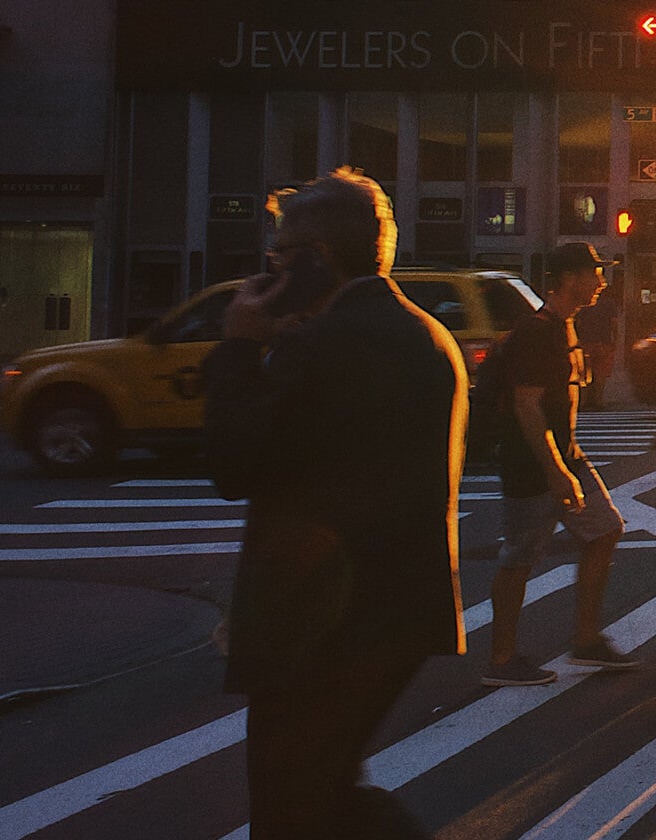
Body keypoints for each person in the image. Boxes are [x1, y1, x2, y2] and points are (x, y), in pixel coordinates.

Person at [205, 169, 462, 838]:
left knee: (293, 805)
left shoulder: (322, 345)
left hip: (316, 624)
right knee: (328, 798)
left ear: (315, 261)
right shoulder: (428, 335)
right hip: (392, 612)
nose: (269, 273)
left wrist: (238, 344)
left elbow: (235, 464)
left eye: (280, 257)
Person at [478, 243, 636, 687]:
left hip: (566, 456)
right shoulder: (536, 330)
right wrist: (555, 472)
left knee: (605, 530)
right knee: (518, 559)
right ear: (569, 278)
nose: (602, 281)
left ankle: (586, 641)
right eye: (595, 272)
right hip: (532, 464)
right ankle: (502, 660)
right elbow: (528, 408)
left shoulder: (567, 327)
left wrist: (568, 462)